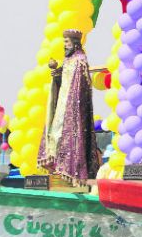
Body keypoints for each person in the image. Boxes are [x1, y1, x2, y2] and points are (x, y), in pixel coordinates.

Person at [38, 29, 101, 185]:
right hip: (62, 105)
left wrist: (73, 106)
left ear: (75, 43)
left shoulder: (80, 60)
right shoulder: (67, 60)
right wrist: (57, 77)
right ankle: (57, 170)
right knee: (54, 134)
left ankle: (72, 174)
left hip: (73, 107)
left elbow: (80, 86)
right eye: (63, 42)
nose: (64, 46)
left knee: (69, 137)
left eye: (67, 42)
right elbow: (64, 82)